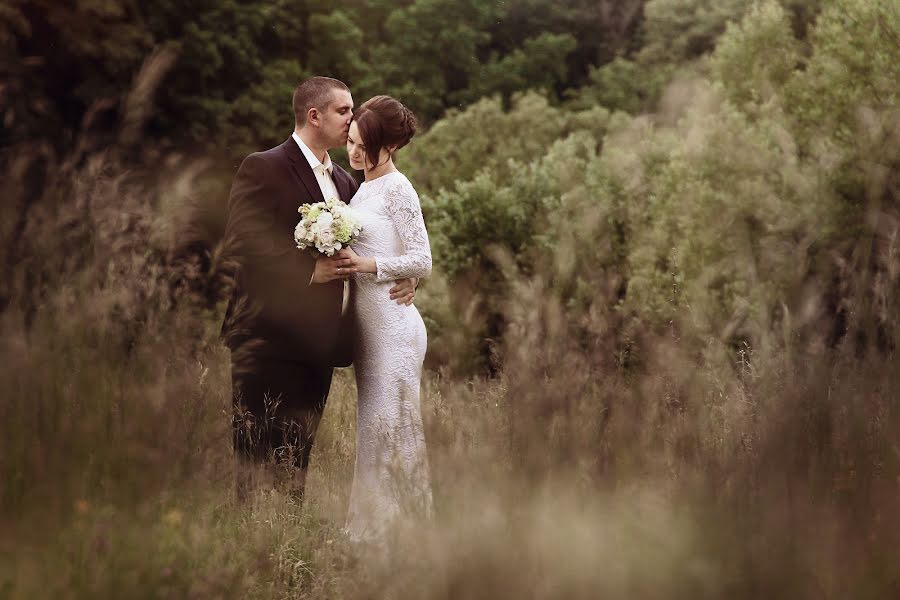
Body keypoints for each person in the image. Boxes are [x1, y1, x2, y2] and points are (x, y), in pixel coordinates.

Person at [220, 77, 417, 499]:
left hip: (319, 342)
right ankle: (253, 552)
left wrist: (407, 272)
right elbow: (240, 243)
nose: (353, 119)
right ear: (315, 115)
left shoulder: (347, 183)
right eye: (344, 111)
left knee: (296, 461)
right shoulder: (265, 166)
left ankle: (286, 545)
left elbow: (378, 240)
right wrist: (308, 272)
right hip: (266, 337)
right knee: (255, 458)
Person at [331, 95, 433, 540]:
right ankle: (372, 527)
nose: (353, 153)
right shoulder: (362, 187)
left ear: (388, 147)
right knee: (373, 425)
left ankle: (395, 534)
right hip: (368, 331)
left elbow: (422, 259)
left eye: (363, 146)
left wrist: (368, 267)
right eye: (350, 142)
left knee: (391, 427)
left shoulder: (398, 188)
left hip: (393, 325)